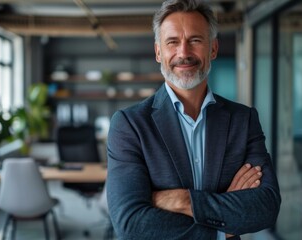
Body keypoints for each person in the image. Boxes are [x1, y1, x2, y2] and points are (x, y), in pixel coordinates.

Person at [106, 0, 281, 239]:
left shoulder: (243, 119)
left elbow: (266, 206)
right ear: (159, 52)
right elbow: (131, 223)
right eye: (172, 42)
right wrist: (222, 229)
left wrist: (183, 200)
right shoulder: (130, 124)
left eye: (195, 40)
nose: (184, 53)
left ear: (213, 49)